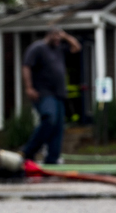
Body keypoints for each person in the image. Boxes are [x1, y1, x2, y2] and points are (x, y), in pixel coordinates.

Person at [21, 27, 81, 164]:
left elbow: (77, 47)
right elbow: (26, 66)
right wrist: (29, 87)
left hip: (59, 94)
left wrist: (65, 36)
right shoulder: (37, 48)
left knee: (58, 127)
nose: (58, 40)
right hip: (43, 92)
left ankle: (52, 159)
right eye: (56, 37)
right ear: (49, 35)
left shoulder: (59, 48)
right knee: (49, 118)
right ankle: (29, 150)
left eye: (60, 38)